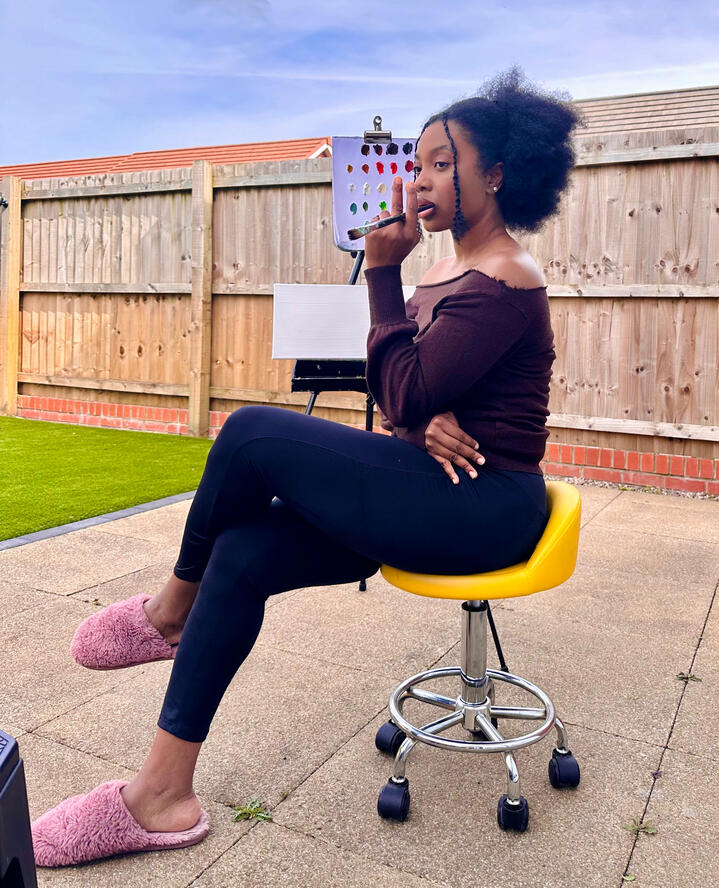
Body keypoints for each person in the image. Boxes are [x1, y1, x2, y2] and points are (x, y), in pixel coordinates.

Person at [31, 66, 584, 866]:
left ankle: (169, 613)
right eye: (417, 164)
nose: (418, 181)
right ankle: (161, 795)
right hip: (423, 489)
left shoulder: (503, 279)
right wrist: (418, 412)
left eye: (441, 164)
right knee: (242, 552)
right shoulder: (448, 273)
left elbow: (400, 384)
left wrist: (384, 279)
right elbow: (397, 394)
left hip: (480, 507)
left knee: (251, 433)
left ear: (494, 175)